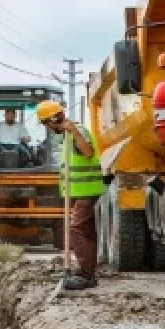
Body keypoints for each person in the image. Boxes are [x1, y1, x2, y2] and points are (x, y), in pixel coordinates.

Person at [36, 100, 104, 289]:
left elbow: (88, 152)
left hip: (86, 190)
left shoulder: (77, 132)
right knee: (87, 231)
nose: (49, 129)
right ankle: (88, 272)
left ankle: (86, 275)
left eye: (47, 124)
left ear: (53, 120)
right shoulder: (68, 135)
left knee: (76, 229)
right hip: (81, 191)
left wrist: (74, 131)